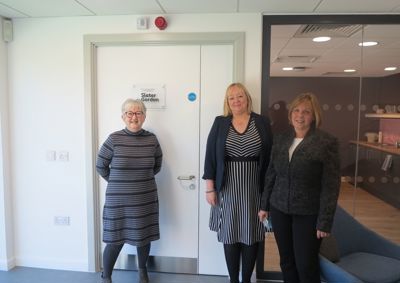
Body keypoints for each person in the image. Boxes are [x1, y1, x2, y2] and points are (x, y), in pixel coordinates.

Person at [258, 93, 340, 283]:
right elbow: (271, 173)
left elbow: (331, 184)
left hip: (308, 213)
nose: (300, 115)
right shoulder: (281, 139)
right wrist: (264, 206)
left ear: (314, 116)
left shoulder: (326, 142)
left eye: (306, 111)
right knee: (286, 261)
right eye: (296, 110)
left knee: (306, 264)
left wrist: (325, 221)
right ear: (290, 114)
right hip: (279, 210)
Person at [203, 83, 273, 283]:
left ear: (247, 98)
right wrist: (210, 189)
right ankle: (233, 279)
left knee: (252, 233)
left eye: (240, 96)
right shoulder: (220, 123)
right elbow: (210, 158)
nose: (236, 100)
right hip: (227, 187)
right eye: (231, 97)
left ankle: (246, 280)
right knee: (229, 233)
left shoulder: (261, 122)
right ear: (227, 102)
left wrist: (268, 193)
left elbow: (270, 158)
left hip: (255, 187)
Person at [96, 99, 163, 283]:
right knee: (115, 240)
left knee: (144, 237)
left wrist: (138, 180)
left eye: (138, 113)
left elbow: (157, 165)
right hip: (118, 201)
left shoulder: (152, 139)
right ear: (123, 117)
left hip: (145, 199)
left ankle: (142, 272)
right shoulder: (114, 139)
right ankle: (106, 276)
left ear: (144, 116)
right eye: (129, 113)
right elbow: (100, 165)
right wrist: (118, 182)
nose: (134, 117)